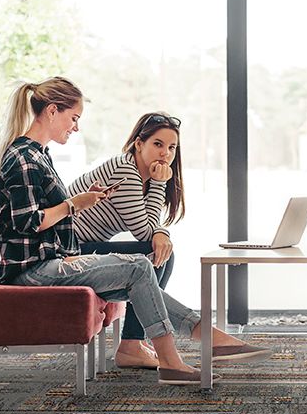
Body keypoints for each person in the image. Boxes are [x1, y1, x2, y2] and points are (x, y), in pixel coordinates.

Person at [0, 77, 242, 386]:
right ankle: (178, 354)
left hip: (53, 257)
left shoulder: (38, 154)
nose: (76, 127)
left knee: (141, 276)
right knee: (140, 266)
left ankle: (197, 340)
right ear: (52, 111)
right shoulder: (24, 159)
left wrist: (83, 202)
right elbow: (28, 222)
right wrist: (73, 204)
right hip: (33, 267)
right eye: (74, 118)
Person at [64, 111, 270, 369]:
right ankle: (139, 343)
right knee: (158, 254)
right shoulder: (125, 171)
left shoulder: (141, 175)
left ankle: (133, 344)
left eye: (171, 147)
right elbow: (145, 233)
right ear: (139, 144)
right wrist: (161, 189)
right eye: (158, 144)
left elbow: (150, 230)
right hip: (69, 251)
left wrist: (160, 228)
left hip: (84, 246)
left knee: (160, 256)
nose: (165, 153)